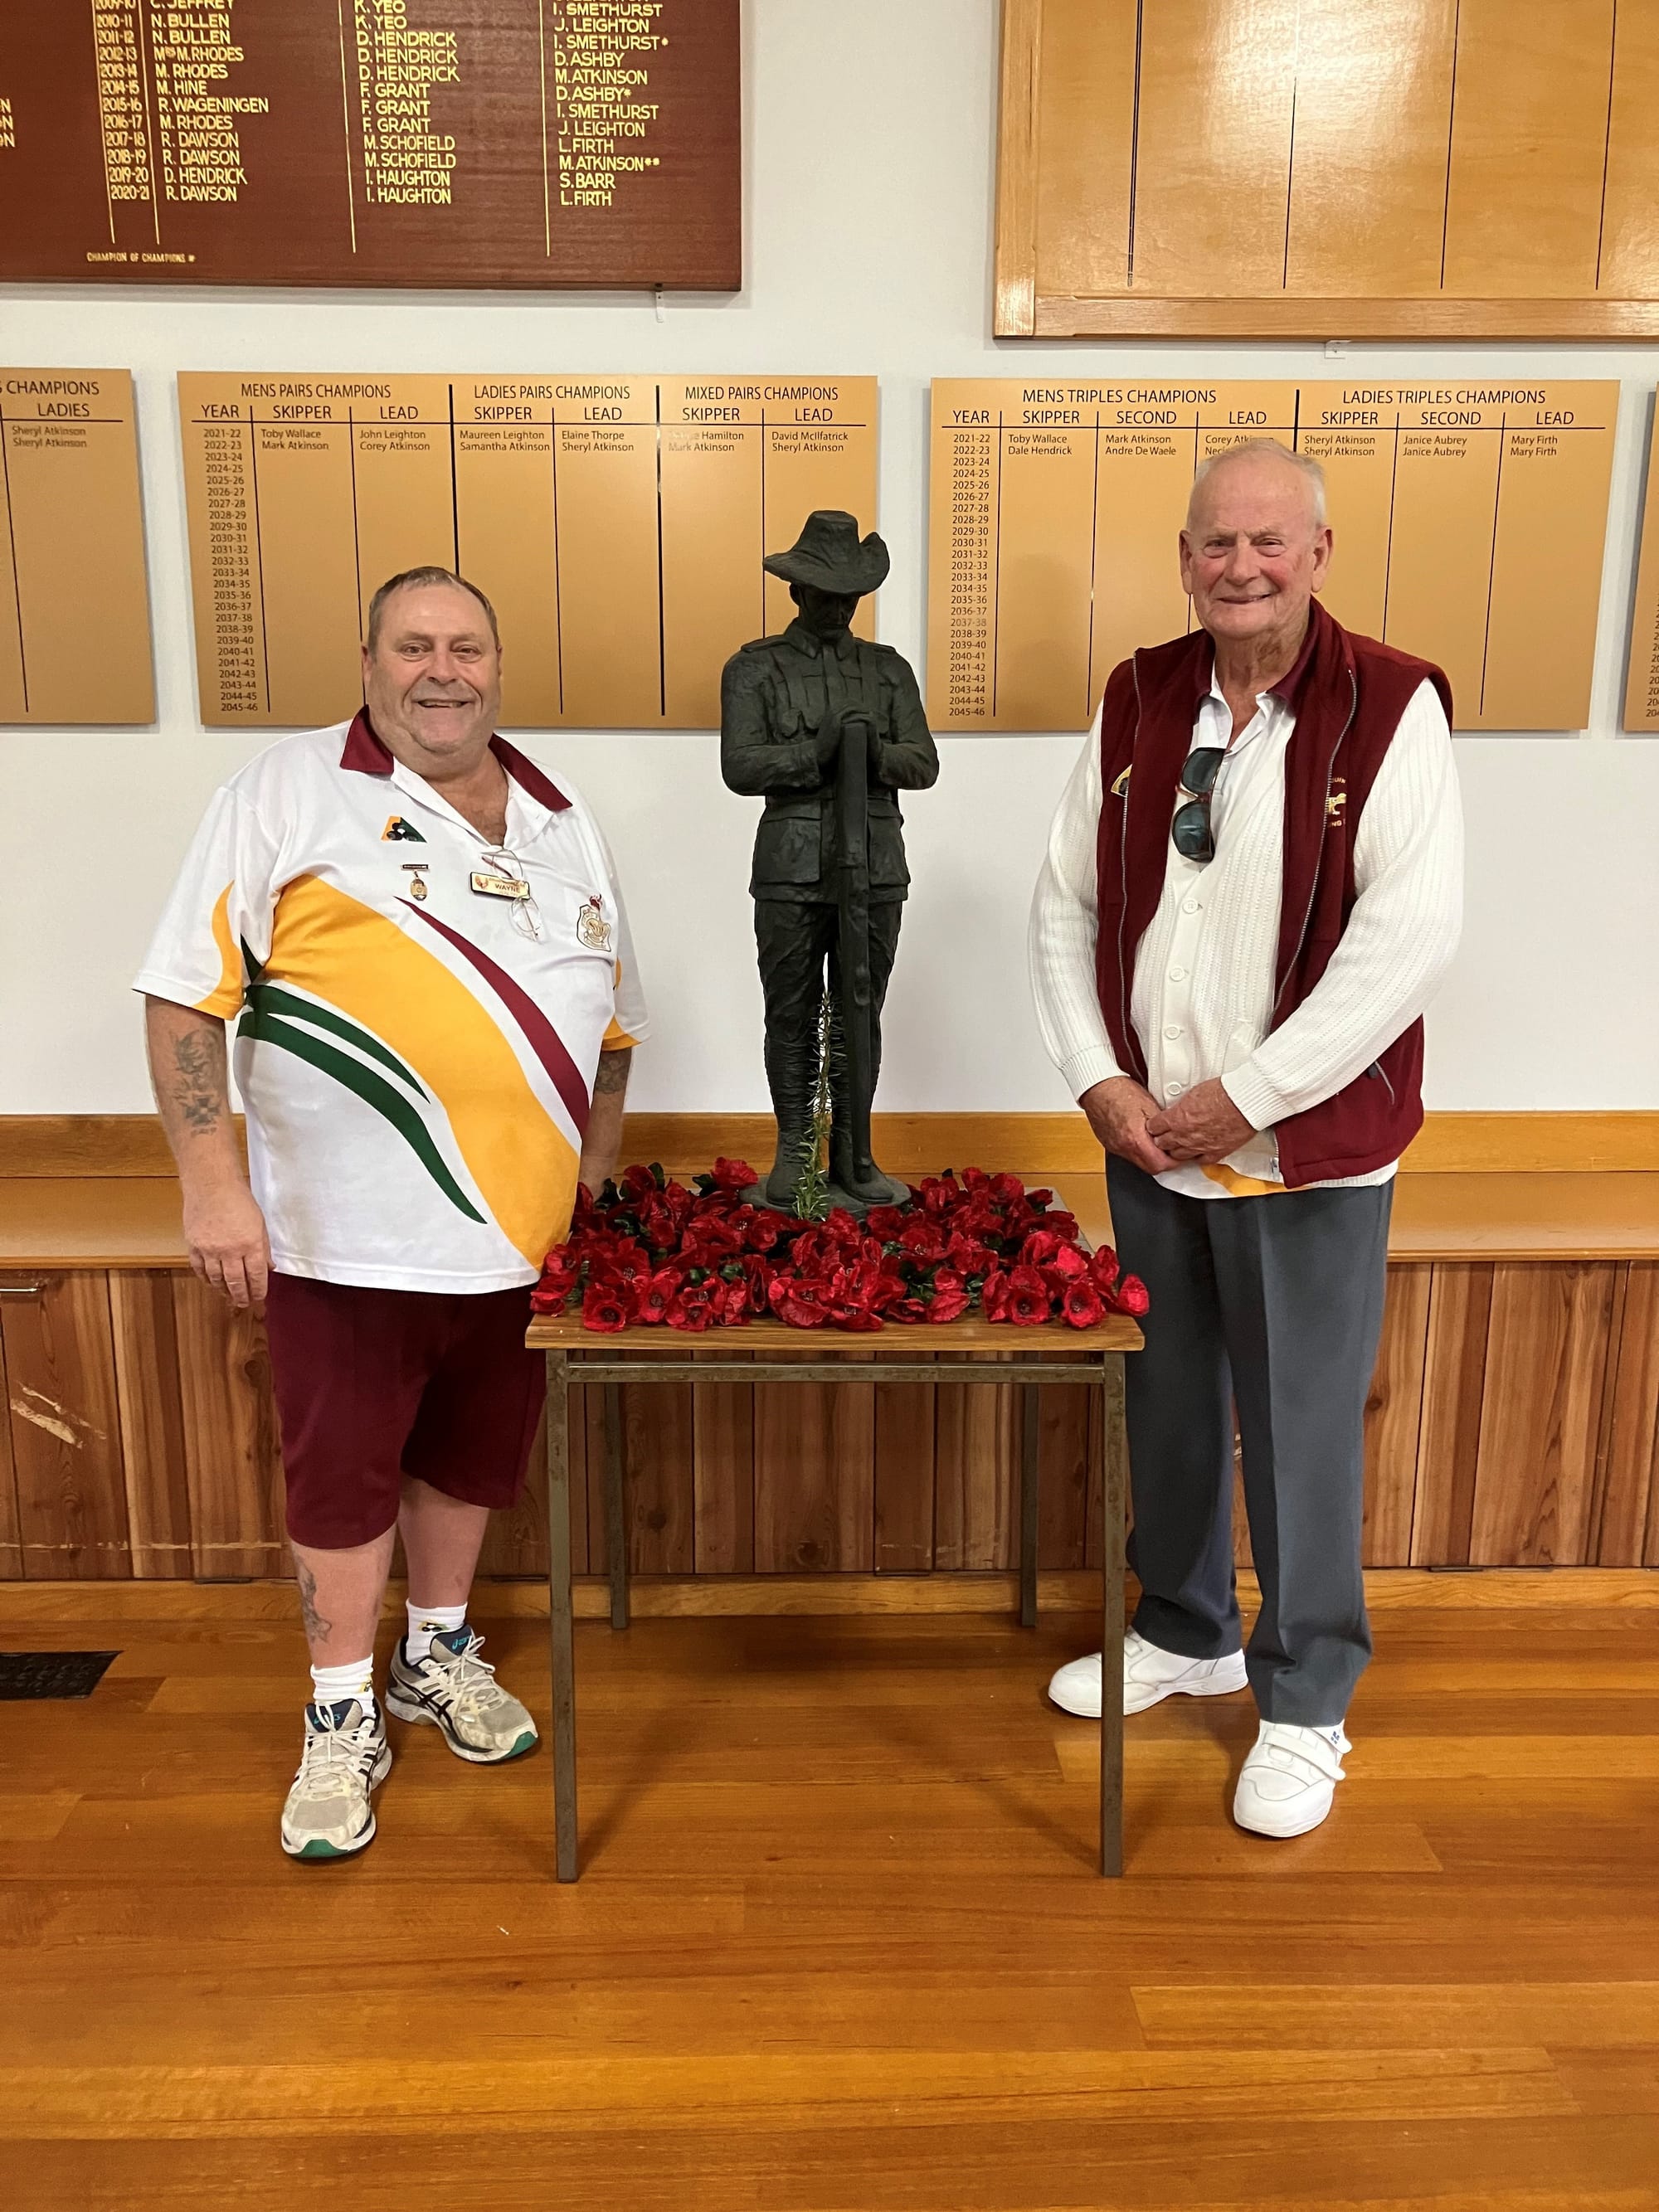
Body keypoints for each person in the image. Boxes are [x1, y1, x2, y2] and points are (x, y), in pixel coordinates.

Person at [136, 566, 648, 1861]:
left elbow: (615, 1028)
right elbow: (186, 994)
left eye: (466, 647)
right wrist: (211, 1183)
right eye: (413, 646)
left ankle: (434, 1652)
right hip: (340, 1239)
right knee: (343, 1478)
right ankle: (338, 1709)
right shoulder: (288, 790)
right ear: (367, 664)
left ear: (497, 666)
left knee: (467, 1465)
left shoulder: (560, 816)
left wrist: (590, 1182)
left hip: (516, 1249)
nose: (442, 670)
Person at [1029, 439, 1462, 1839]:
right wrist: (1101, 1078)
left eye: (1270, 541)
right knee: (1167, 1402)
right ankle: (1185, 1627)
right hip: (1151, 1139)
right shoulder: (1141, 694)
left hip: (1304, 1152)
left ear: (1319, 553)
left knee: (1297, 1430)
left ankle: (1308, 1696)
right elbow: (1064, 902)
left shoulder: (1390, 704)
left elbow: (1407, 940)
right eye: (1216, 542)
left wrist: (1253, 1094)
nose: (1242, 565)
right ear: (1184, 559)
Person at [720, 510, 939, 1208]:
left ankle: (853, 1148)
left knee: (858, 1010)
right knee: (790, 1010)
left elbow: (924, 762)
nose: (838, 607)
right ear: (797, 590)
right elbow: (740, 764)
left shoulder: (887, 670)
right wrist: (813, 754)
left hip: (875, 862)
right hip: (791, 865)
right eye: (825, 593)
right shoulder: (755, 668)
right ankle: (794, 1149)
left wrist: (875, 753)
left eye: (850, 596)